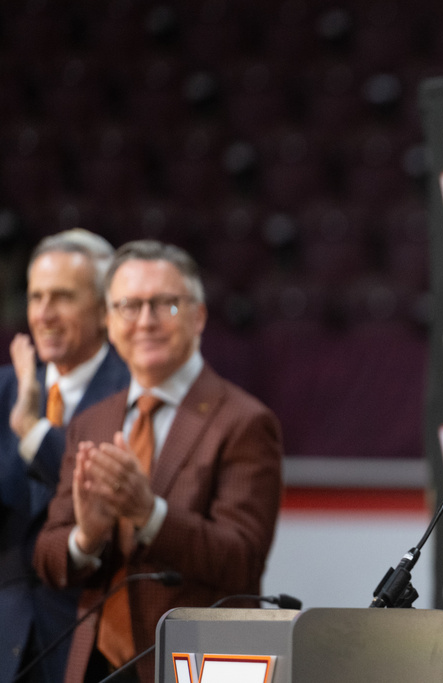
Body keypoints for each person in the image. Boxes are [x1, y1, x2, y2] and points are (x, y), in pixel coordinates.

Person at [33, 240, 283, 683]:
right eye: (129, 306)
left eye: (164, 304)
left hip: (201, 667)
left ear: (198, 316)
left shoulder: (244, 421)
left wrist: (149, 515)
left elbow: (242, 560)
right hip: (95, 668)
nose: (145, 321)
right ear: (108, 322)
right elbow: (48, 558)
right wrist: (86, 538)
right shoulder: (92, 422)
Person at [0, 230, 130, 683]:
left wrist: (33, 433)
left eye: (62, 297)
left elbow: (104, 501)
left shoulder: (134, 393)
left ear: (103, 308)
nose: (44, 314)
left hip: (89, 641)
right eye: (36, 297)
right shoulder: (4, 389)